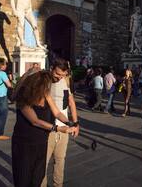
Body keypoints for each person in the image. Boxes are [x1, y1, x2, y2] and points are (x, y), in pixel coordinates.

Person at [11, 70, 75, 187]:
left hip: (41, 142)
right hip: (24, 144)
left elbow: (56, 112)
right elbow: (35, 121)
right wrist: (58, 128)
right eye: (45, 84)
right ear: (36, 84)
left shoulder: (45, 93)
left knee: (38, 177)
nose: (48, 87)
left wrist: (69, 123)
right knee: (23, 178)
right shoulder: (23, 97)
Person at [41, 58, 80, 187]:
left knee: (60, 161)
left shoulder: (66, 80)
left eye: (63, 75)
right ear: (52, 68)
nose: (59, 77)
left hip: (64, 127)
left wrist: (76, 123)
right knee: (43, 163)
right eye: (57, 74)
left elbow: (71, 102)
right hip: (48, 127)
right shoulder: (44, 80)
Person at [0, 58, 12, 140]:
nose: (6, 66)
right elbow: (9, 85)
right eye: (5, 64)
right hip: (1, 96)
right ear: (1, 65)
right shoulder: (2, 73)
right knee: (3, 115)